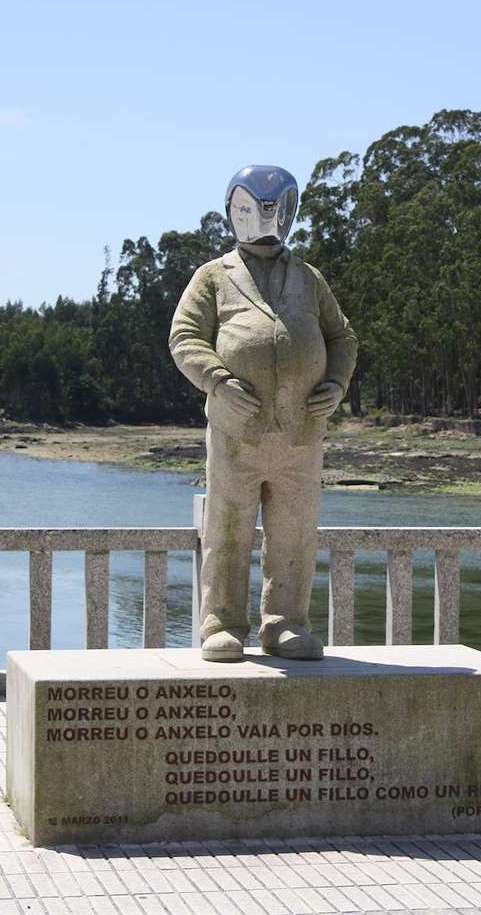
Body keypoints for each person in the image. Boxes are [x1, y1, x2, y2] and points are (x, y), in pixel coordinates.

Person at [169, 165, 358, 661]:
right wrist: (216, 379)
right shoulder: (213, 276)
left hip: (301, 431)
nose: (266, 217)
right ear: (234, 210)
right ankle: (221, 623)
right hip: (238, 430)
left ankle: (286, 623)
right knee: (228, 528)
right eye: (253, 206)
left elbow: (342, 337)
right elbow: (184, 337)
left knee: (295, 532)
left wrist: (336, 383)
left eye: (277, 207)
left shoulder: (309, 278)